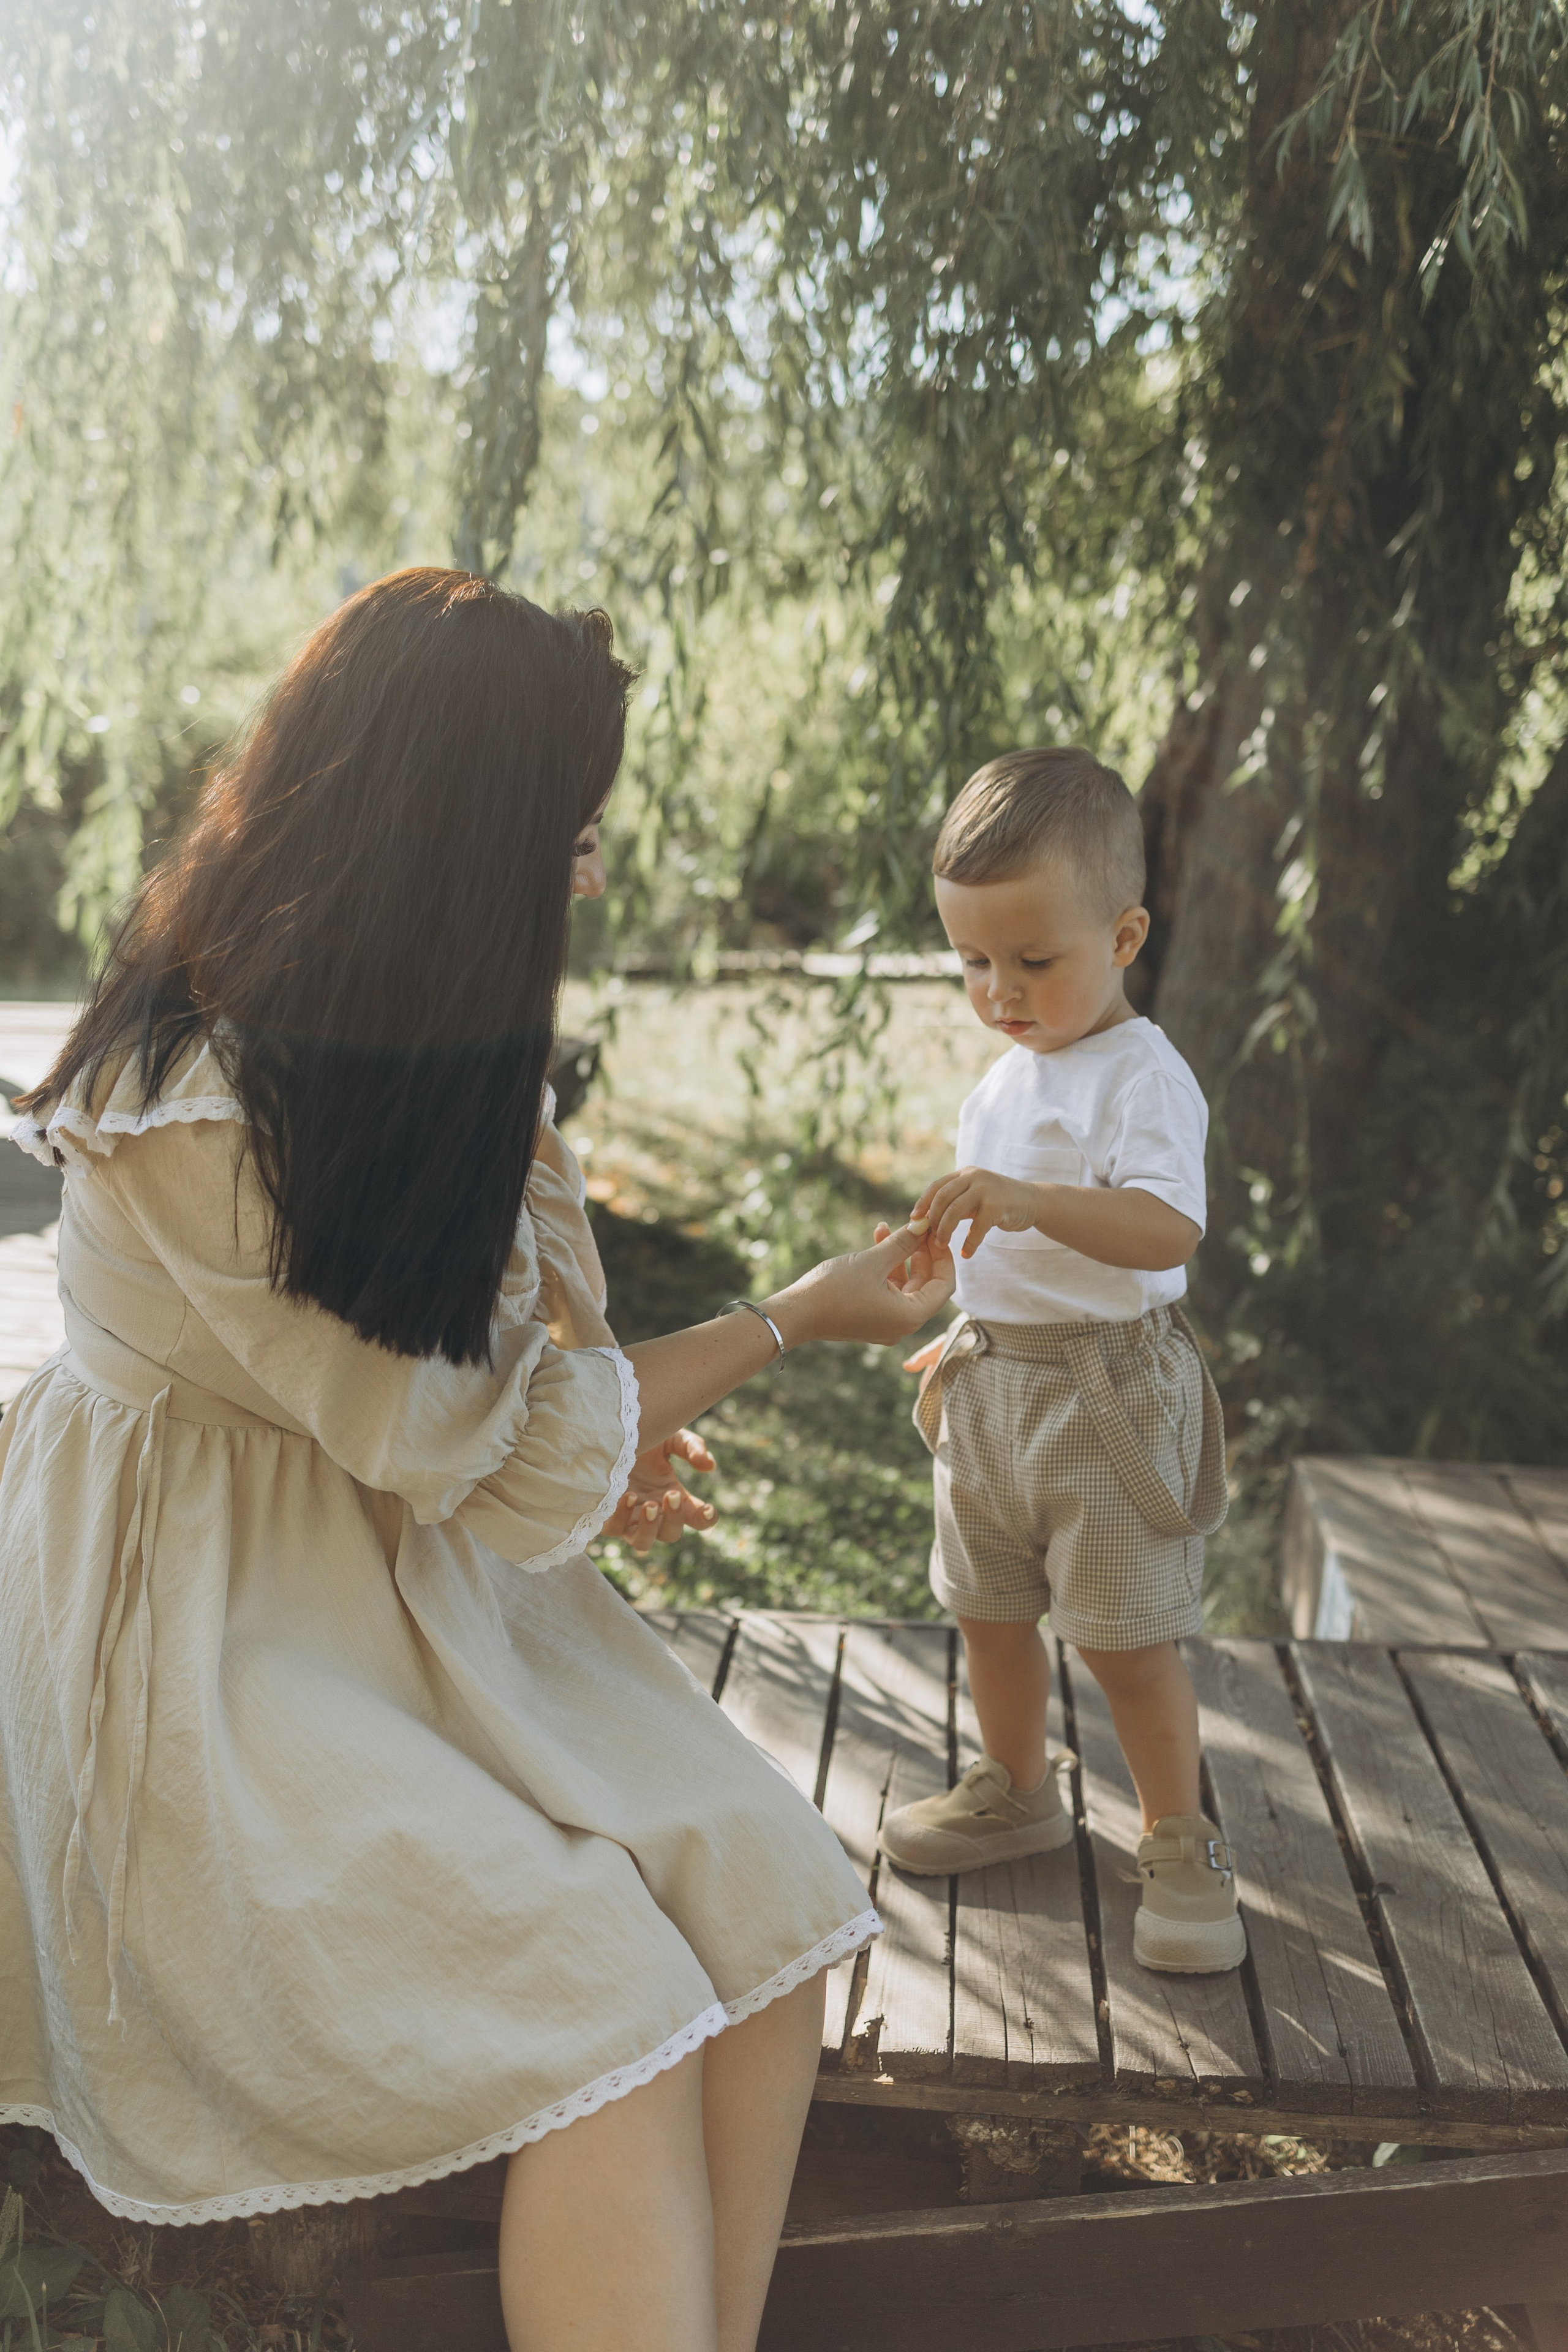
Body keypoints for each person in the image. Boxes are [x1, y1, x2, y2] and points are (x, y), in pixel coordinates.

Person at [0, 568, 954, 2352]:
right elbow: (496, 1449)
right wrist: (791, 1323)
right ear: (460, 838)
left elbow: (516, 1396)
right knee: (595, 2016)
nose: (587, 875)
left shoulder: (393, 1045)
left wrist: (596, 1444)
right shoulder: (207, 1104)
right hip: (196, 1651)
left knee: (766, 1915)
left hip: (376, 1573)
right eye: (564, 833)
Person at [875, 747, 1244, 1975]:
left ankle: (1178, 1837)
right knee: (987, 1613)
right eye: (974, 961)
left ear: (1124, 933)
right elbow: (1011, 1243)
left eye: (1034, 961)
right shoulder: (1004, 1077)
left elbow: (1163, 1230)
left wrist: (1026, 1204)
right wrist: (959, 1307)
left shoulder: (1142, 1077)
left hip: (1107, 1397)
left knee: (1124, 1639)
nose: (1001, 990)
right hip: (996, 1387)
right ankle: (1017, 1787)